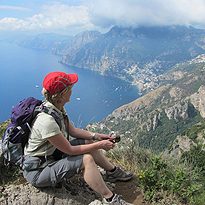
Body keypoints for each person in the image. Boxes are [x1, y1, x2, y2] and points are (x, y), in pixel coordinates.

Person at [23, 71, 133, 205]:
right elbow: (70, 150)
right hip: (39, 171)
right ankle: (110, 199)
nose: (72, 91)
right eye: (70, 88)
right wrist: (100, 145)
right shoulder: (47, 121)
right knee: (86, 160)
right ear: (63, 93)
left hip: (52, 156)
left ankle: (112, 172)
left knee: (88, 141)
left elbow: (73, 131)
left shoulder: (56, 108)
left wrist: (98, 137)